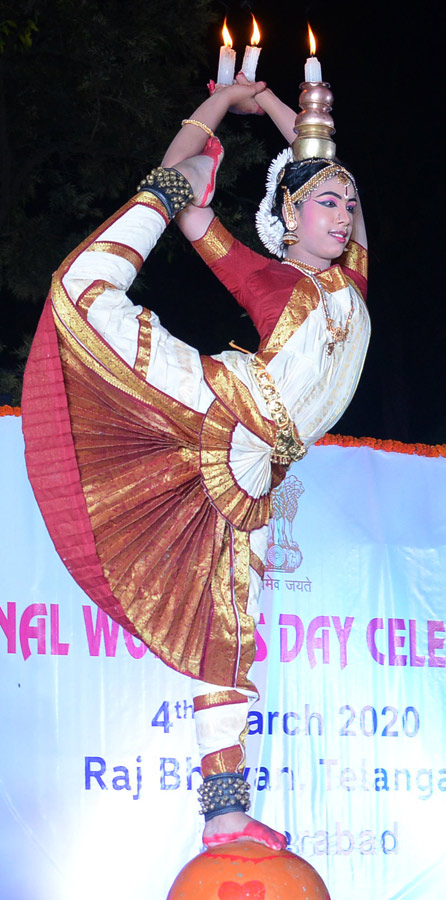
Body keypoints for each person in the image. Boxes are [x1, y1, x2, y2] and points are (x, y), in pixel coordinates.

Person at [21, 76, 370, 850]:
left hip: (253, 478)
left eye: (348, 205)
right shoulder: (271, 276)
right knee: (80, 293)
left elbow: (327, 165)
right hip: (214, 408)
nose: (343, 214)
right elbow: (199, 221)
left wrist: (290, 108)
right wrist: (218, 110)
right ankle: (166, 183)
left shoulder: (352, 282)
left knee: (228, 636)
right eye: (325, 203)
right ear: (288, 216)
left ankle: (224, 812)